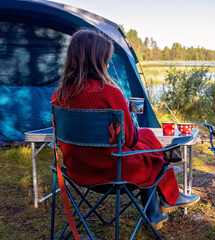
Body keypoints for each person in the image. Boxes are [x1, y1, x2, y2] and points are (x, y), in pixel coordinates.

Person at [51, 29, 199, 230]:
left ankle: (157, 210)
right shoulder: (109, 93)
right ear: (98, 60)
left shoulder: (58, 96)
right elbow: (129, 139)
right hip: (115, 172)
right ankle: (168, 198)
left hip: (78, 170)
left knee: (146, 137)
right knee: (151, 154)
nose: (108, 64)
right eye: (107, 59)